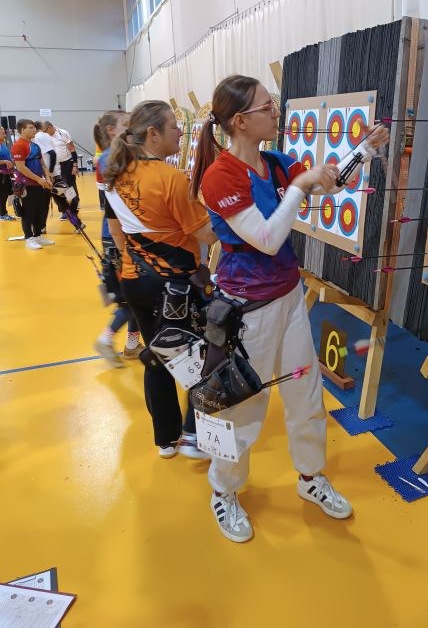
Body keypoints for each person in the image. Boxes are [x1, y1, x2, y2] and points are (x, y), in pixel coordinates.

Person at [191, 75, 389, 544]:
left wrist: (364, 151)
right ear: (240, 121)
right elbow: (266, 237)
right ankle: (224, 490)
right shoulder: (221, 176)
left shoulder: (276, 163)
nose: (275, 112)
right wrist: (300, 185)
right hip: (247, 314)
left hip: (288, 300)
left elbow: (328, 184)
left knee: (306, 397)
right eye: (267, 107)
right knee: (242, 409)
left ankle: (310, 477)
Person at [104, 100, 216, 458]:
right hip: (175, 284)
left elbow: (116, 230)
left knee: (157, 355)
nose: (180, 132)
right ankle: (194, 436)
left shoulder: (115, 173)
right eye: (173, 126)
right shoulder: (170, 178)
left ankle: (166, 440)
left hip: (135, 279)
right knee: (196, 355)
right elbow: (207, 234)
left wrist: (139, 256)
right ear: (153, 134)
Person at [93, 110, 143, 365]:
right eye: (126, 124)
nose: (131, 127)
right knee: (131, 297)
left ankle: (132, 344)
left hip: (125, 232)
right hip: (119, 236)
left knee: (136, 294)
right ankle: (106, 338)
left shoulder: (118, 156)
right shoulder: (110, 158)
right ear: (111, 130)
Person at [11, 120, 53, 250]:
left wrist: (47, 177)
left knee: (40, 210)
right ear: (22, 130)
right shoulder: (18, 146)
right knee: (28, 212)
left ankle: (38, 235)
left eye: (34, 127)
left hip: (40, 184)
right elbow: (21, 167)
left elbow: (43, 164)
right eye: (30, 128)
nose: (34, 130)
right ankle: (29, 238)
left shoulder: (35, 146)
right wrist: (39, 179)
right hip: (27, 185)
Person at [43, 121, 79, 215]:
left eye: (45, 131)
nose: (45, 133)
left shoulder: (62, 133)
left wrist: (75, 165)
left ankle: (74, 205)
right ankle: (64, 210)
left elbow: (72, 149)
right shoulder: (46, 136)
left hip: (67, 163)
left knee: (69, 186)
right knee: (58, 187)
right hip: (55, 165)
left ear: (50, 127)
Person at [33, 121, 58, 238]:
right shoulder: (46, 135)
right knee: (61, 201)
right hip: (54, 174)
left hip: (50, 176)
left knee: (45, 203)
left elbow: (52, 154)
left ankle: (41, 227)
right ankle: (78, 223)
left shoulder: (39, 137)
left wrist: (50, 173)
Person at [0, 126, 16, 220]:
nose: (5, 135)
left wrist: (11, 161)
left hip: (8, 173)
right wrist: (4, 161)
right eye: (3, 133)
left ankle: (3, 212)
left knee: (7, 193)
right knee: (2, 195)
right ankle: (2, 214)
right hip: (1, 175)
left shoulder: (4, 144)